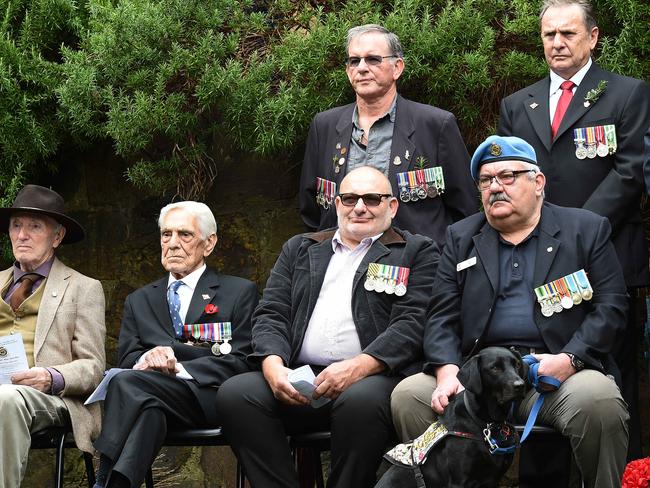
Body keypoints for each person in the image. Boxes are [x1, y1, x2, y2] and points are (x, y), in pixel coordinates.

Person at [390, 136, 630, 488]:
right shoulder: (461, 237)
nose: (495, 188)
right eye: (486, 180)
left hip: (553, 375)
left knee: (598, 401)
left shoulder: (585, 229)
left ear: (538, 182)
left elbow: (612, 306)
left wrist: (571, 359)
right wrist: (446, 370)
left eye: (507, 176)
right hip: (480, 380)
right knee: (409, 395)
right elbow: (440, 315)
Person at [216, 166, 439, 488]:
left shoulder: (416, 251)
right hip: (299, 377)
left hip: (372, 378)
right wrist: (272, 365)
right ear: (336, 205)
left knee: (360, 402)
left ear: (392, 206)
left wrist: (359, 367)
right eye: (349, 198)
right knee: (236, 394)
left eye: (372, 199)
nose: (359, 207)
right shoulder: (300, 248)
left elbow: (412, 323)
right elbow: (271, 313)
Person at [497, 0, 650, 457]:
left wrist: (570, 231)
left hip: (609, 260)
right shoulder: (517, 104)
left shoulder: (627, 93)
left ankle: (627, 475)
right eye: (549, 35)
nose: (558, 43)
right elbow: (510, 173)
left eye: (568, 33)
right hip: (535, 265)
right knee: (544, 375)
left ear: (593, 37)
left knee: (613, 384)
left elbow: (630, 173)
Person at [92, 201, 258, 488]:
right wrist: (148, 359)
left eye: (185, 235)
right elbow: (128, 358)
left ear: (209, 243)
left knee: (126, 384)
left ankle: (102, 477)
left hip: (209, 397)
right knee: (148, 412)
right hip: (153, 395)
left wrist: (177, 366)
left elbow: (242, 361)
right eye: (166, 235)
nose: (172, 244)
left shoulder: (239, 292)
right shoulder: (139, 300)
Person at [299, 24, 476, 247]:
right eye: (354, 61)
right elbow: (311, 211)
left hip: (414, 267)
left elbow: (465, 209)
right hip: (341, 262)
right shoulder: (324, 126)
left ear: (397, 68)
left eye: (373, 59)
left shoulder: (435, 125)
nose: (361, 68)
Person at [0, 184, 105, 487]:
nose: (22, 235)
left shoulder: (83, 288)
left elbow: (93, 368)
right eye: (16, 225)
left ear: (57, 237)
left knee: (5, 399)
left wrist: (51, 376)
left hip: (50, 397)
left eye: (34, 226)